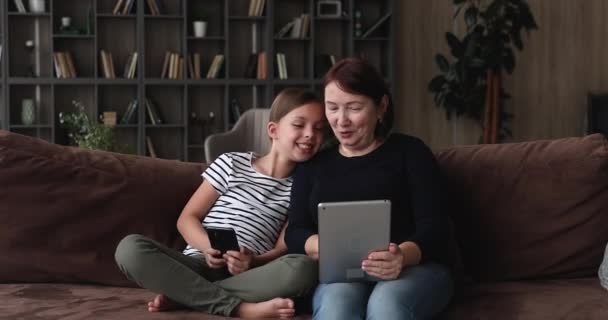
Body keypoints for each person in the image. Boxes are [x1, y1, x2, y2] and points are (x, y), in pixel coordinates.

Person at [115, 88, 326, 319]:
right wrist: (207, 247)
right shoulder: (231, 163)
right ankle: (240, 308)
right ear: (273, 130)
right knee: (130, 248)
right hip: (194, 263)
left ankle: (186, 295)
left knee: (304, 268)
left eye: (318, 128)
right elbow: (187, 218)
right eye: (299, 125)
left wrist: (253, 262)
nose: (310, 134)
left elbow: (282, 247)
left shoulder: (305, 186)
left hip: (246, 274)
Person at [285, 57, 454, 320]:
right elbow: (295, 231)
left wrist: (402, 257)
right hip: (341, 274)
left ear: (381, 106)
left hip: (416, 269)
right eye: (332, 108)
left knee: (386, 303)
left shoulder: (410, 152)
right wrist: (323, 245)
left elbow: (435, 227)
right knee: (335, 308)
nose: (341, 121)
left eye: (354, 108)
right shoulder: (313, 165)